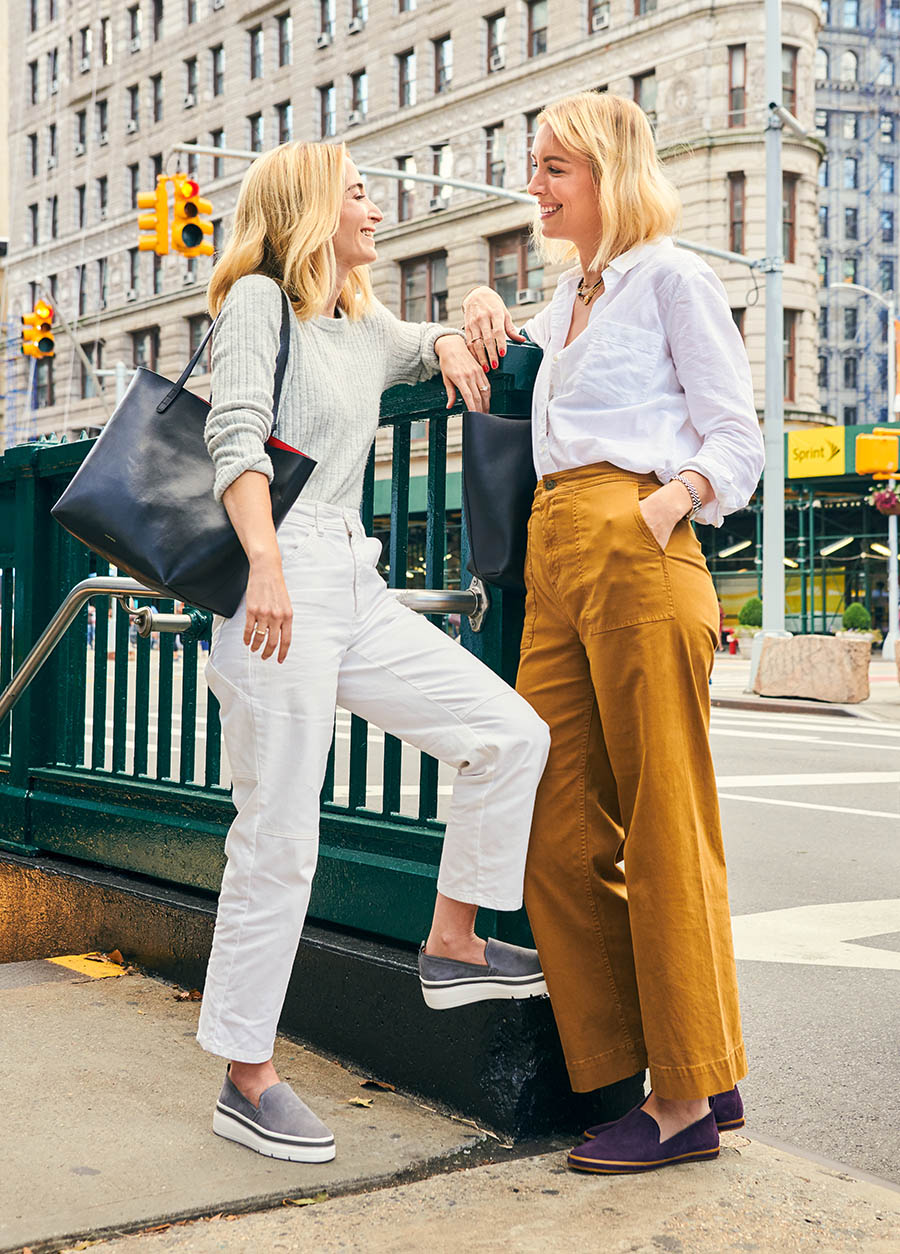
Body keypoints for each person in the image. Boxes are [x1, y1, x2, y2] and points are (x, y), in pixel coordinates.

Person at [197, 141, 551, 1164]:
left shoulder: (359, 316)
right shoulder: (261, 302)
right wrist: (262, 561)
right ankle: (245, 1073)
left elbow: (433, 337)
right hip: (283, 573)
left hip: (353, 574)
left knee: (505, 733)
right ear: (311, 206)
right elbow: (235, 438)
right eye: (358, 192)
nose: (377, 207)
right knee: (278, 834)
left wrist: (465, 320)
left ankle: (450, 941)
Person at [462, 91, 765, 1175]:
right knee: (551, 825)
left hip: (637, 545)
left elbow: (740, 436)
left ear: (605, 173)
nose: (534, 185)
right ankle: (666, 1068)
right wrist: (481, 311)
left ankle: (685, 1099)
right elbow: (496, 351)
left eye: (553, 168)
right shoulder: (572, 295)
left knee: (665, 821)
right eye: (535, 164)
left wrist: (670, 500)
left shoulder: (672, 277)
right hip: (554, 560)